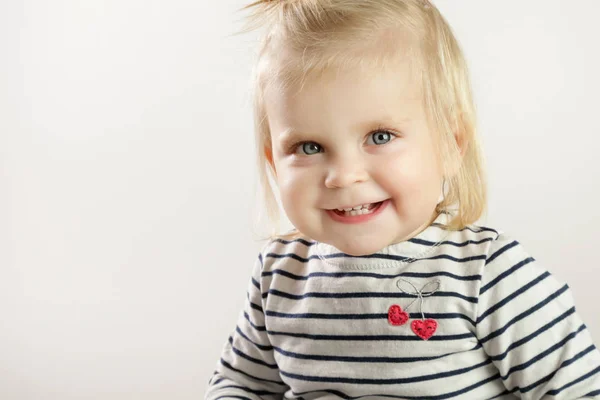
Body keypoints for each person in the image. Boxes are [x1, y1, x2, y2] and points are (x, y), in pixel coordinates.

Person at [205, 0, 600, 398]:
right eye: (309, 147)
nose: (343, 176)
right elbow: (240, 383)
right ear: (274, 162)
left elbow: (579, 389)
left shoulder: (486, 274)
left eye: (379, 137)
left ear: (450, 144)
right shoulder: (281, 274)